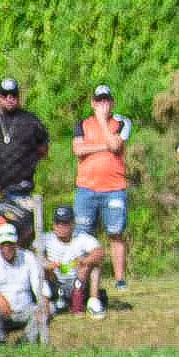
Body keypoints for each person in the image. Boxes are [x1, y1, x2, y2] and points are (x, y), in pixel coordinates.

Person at [72, 85, 132, 291]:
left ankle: (120, 279)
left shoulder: (122, 122)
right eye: (99, 101)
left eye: (106, 100)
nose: (103, 104)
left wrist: (102, 122)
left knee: (115, 232)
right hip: (86, 188)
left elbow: (116, 146)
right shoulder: (82, 124)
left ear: (112, 103)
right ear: (93, 103)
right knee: (82, 234)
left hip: (114, 187)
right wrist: (104, 145)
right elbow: (78, 150)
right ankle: (82, 277)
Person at [0, 222, 51, 344]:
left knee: (48, 308)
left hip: (24, 309)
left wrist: (44, 299)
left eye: (10, 244)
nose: (7, 248)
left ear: (16, 243)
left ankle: (26, 341)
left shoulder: (28, 257)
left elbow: (38, 282)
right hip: (0, 311)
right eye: (3, 244)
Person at [34, 204, 105, 319]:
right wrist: (48, 265)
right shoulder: (46, 238)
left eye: (65, 223)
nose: (61, 227)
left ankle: (92, 302)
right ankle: (52, 301)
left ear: (73, 224)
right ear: (53, 224)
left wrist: (85, 260)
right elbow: (33, 256)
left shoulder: (82, 237)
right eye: (58, 223)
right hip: (54, 281)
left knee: (94, 266)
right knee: (41, 270)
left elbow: (100, 252)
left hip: (77, 280)